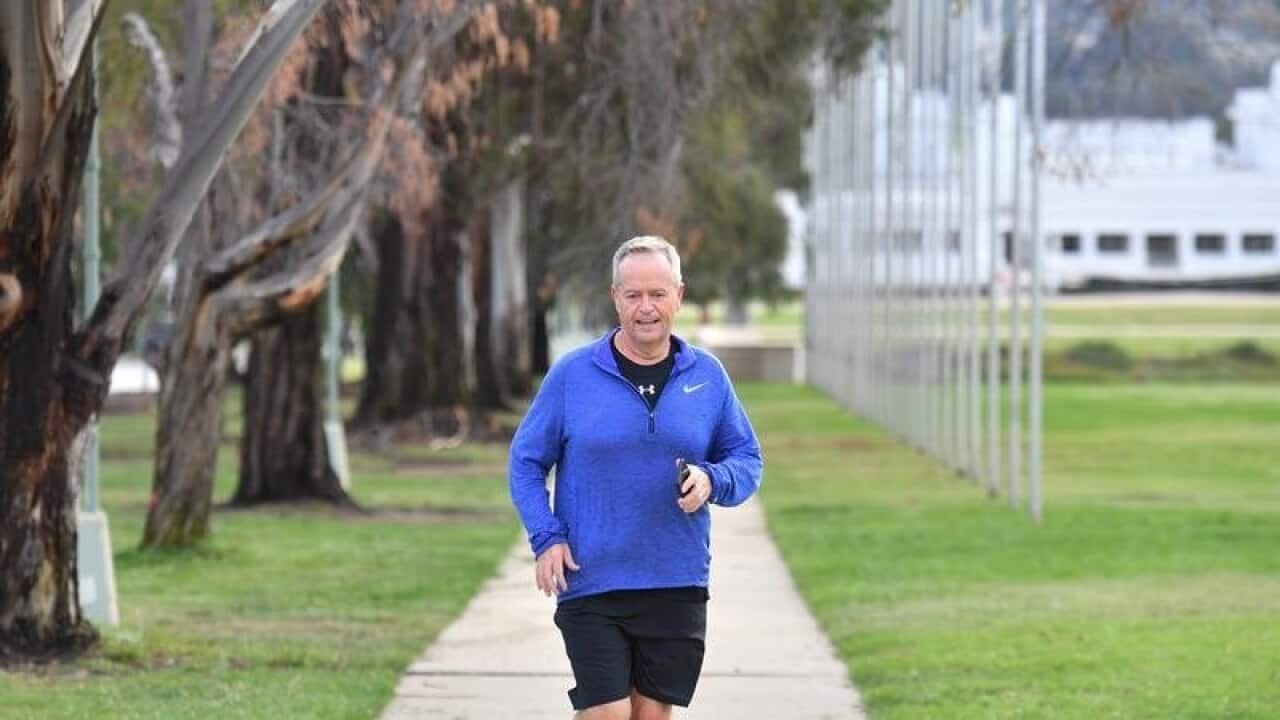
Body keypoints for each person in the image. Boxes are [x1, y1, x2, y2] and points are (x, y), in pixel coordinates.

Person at [509, 236, 764, 720]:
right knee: (608, 712)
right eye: (634, 295)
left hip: (675, 577)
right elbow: (525, 461)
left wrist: (712, 480)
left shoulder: (708, 377)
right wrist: (547, 537)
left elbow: (747, 458)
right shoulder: (573, 376)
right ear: (616, 298)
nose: (646, 307)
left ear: (678, 296)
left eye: (658, 294)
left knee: (650, 715)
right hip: (592, 577)